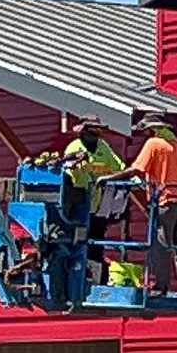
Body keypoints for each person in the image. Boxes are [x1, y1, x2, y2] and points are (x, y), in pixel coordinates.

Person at [98, 113, 177, 298]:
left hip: (165, 201)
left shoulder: (154, 144)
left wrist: (109, 178)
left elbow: (137, 169)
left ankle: (160, 287)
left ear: (152, 129)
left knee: (160, 245)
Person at [64, 115, 125, 282]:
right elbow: (69, 175)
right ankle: (77, 277)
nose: (96, 134)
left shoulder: (103, 147)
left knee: (96, 244)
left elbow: (119, 168)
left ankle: (96, 278)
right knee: (78, 243)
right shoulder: (73, 148)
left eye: (98, 130)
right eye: (92, 130)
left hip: (98, 206)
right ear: (83, 132)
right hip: (77, 206)